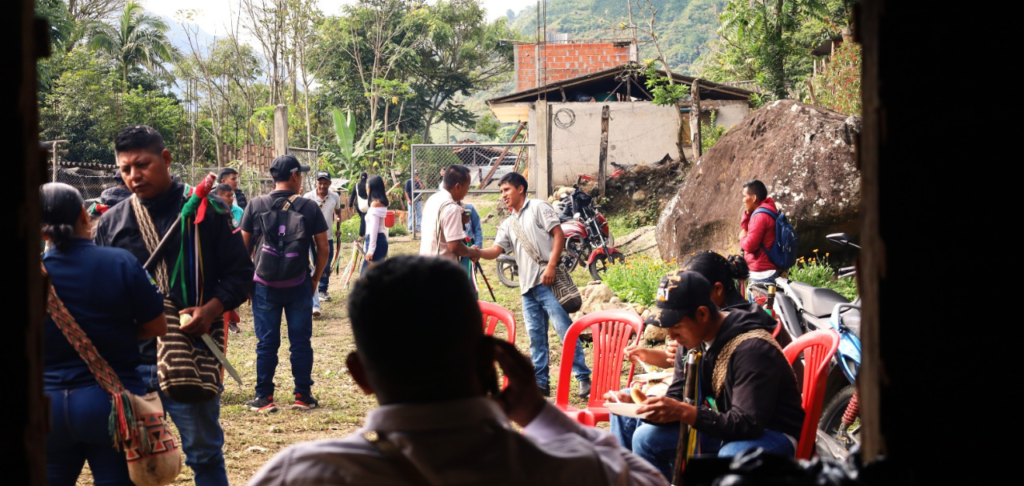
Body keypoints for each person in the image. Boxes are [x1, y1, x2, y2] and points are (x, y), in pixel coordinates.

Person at [246, 256, 669, 486]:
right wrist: (538, 413)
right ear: (492, 358)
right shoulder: (571, 468)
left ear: (359, 376)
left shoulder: (305, 473)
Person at [94, 125, 253, 486]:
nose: (134, 175)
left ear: (165, 159)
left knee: (204, 455)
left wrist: (210, 310)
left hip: (191, 356)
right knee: (133, 462)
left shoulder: (207, 212)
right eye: (125, 169)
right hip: (131, 364)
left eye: (143, 164)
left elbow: (242, 275)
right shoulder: (113, 224)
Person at [42, 183, 168, 486]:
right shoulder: (121, 262)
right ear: (85, 217)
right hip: (111, 407)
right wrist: (117, 332)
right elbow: (157, 326)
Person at [605, 251, 751, 480]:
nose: (672, 336)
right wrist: (652, 405)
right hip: (710, 412)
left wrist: (685, 411)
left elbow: (742, 418)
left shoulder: (742, 336)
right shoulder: (693, 330)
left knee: (646, 438)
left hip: (732, 421)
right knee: (629, 409)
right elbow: (680, 387)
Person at [631, 271, 805, 461]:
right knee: (644, 437)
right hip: (728, 425)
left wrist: (686, 412)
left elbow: (747, 424)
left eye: (677, 326)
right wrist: (646, 406)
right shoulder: (691, 341)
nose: (671, 337)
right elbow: (678, 395)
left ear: (702, 314)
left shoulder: (752, 349)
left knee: (730, 456)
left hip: (772, 432)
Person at [477, 172, 591, 398]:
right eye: (501, 192)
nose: (503, 195)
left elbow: (558, 235)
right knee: (536, 338)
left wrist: (550, 266)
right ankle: (541, 383)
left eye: (506, 190)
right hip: (527, 289)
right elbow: (496, 251)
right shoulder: (508, 223)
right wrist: (474, 252)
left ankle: (583, 377)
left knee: (564, 331)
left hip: (548, 282)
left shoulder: (539, 207)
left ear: (520, 189)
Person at [240, 155, 330, 412]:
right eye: (300, 173)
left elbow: (242, 251)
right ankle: (303, 395)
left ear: (272, 178)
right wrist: (315, 279)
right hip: (299, 282)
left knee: (266, 342)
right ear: (294, 176)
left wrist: (248, 284)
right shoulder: (309, 207)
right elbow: (323, 249)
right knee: (300, 341)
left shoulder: (255, 205)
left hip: (264, 285)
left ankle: (264, 398)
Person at [418, 165, 481, 263]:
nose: (468, 190)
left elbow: (439, 225)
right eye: (467, 186)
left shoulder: (432, 199)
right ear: (458, 186)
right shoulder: (452, 208)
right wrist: (471, 252)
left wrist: (458, 220)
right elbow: (454, 246)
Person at [304, 171, 341, 311]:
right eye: (320, 182)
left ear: (330, 183)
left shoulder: (334, 197)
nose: (322, 185)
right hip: (311, 237)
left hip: (328, 236)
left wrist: (338, 226)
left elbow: (338, 212)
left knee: (326, 262)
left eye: (325, 183)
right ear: (316, 183)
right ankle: (315, 289)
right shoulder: (308, 197)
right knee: (313, 263)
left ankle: (323, 289)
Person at [216, 184, 245, 334]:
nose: (231, 198)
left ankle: (232, 322)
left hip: (233, 258)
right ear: (218, 196)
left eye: (232, 195)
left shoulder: (237, 212)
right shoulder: (212, 212)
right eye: (228, 196)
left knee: (233, 288)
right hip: (217, 261)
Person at [739, 180, 778, 289]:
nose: (743, 200)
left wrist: (742, 239)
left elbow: (750, 245)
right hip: (766, 270)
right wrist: (747, 214)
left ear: (754, 198)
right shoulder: (766, 210)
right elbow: (746, 229)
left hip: (762, 274)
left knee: (758, 307)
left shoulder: (760, 216)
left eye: (744, 196)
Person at [362, 175, 390, 273]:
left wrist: (370, 251)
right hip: (377, 240)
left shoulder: (376, 204)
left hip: (376, 241)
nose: (366, 188)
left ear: (372, 187)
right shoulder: (379, 202)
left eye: (367, 185)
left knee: (366, 276)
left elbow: (374, 229)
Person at [348, 172, 369, 237]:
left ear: (360, 177)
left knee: (363, 219)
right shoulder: (369, 185)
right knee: (364, 219)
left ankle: (364, 234)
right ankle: (361, 235)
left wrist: (350, 205)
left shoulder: (356, 185)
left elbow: (352, 195)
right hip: (367, 205)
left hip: (359, 205)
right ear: (367, 177)